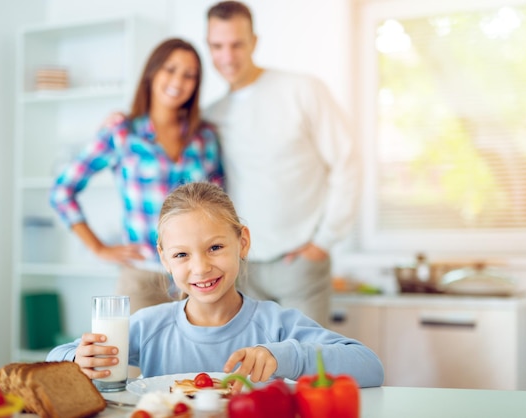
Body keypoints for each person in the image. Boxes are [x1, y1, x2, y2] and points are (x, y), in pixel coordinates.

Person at [46, 182, 384, 390]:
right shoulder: (150, 326)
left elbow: (369, 365)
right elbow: (54, 359)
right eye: (181, 254)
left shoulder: (276, 326)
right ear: (164, 260)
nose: (201, 267)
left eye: (215, 247)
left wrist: (286, 357)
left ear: (243, 243)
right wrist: (79, 358)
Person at [203, 1, 361, 327]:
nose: (227, 56)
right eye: (217, 46)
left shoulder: (302, 90)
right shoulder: (212, 115)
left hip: (299, 264)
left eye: (237, 44)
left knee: (306, 367)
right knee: (248, 372)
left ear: (254, 42)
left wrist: (324, 242)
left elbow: (348, 161)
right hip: (241, 267)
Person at [49, 38, 223, 314]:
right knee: (132, 358)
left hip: (198, 280)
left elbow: (219, 208)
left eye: (189, 75)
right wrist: (98, 248)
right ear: (152, 72)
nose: (178, 80)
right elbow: (61, 191)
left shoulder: (205, 138)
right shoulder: (122, 133)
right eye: (170, 69)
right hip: (142, 280)